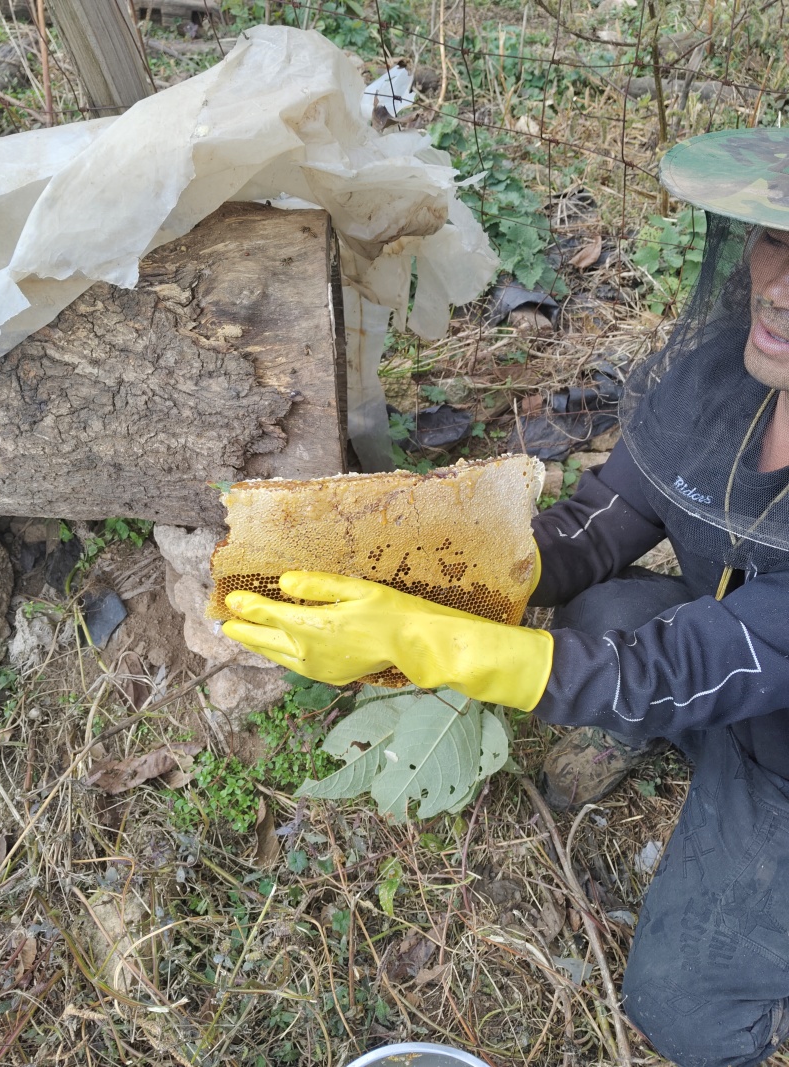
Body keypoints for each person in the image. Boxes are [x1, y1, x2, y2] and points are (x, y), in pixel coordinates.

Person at [222, 127, 789, 1067]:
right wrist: (431, 568)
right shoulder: (728, 370)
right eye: (780, 239)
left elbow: (686, 661)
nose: (778, 288)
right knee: (601, 617)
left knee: (679, 1009)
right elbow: (613, 514)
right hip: (734, 672)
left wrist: (439, 644)